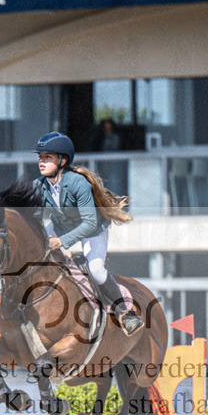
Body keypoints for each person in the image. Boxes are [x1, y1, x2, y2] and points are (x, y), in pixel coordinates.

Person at [31, 131, 144, 336]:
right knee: (30, 255)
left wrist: (61, 242)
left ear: (62, 160)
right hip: (62, 225)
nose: (41, 161)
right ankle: (16, 313)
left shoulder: (77, 183)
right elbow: (33, 217)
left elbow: (89, 222)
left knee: (96, 270)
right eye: (40, 157)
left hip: (92, 228)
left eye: (47, 157)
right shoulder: (39, 185)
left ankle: (126, 313)